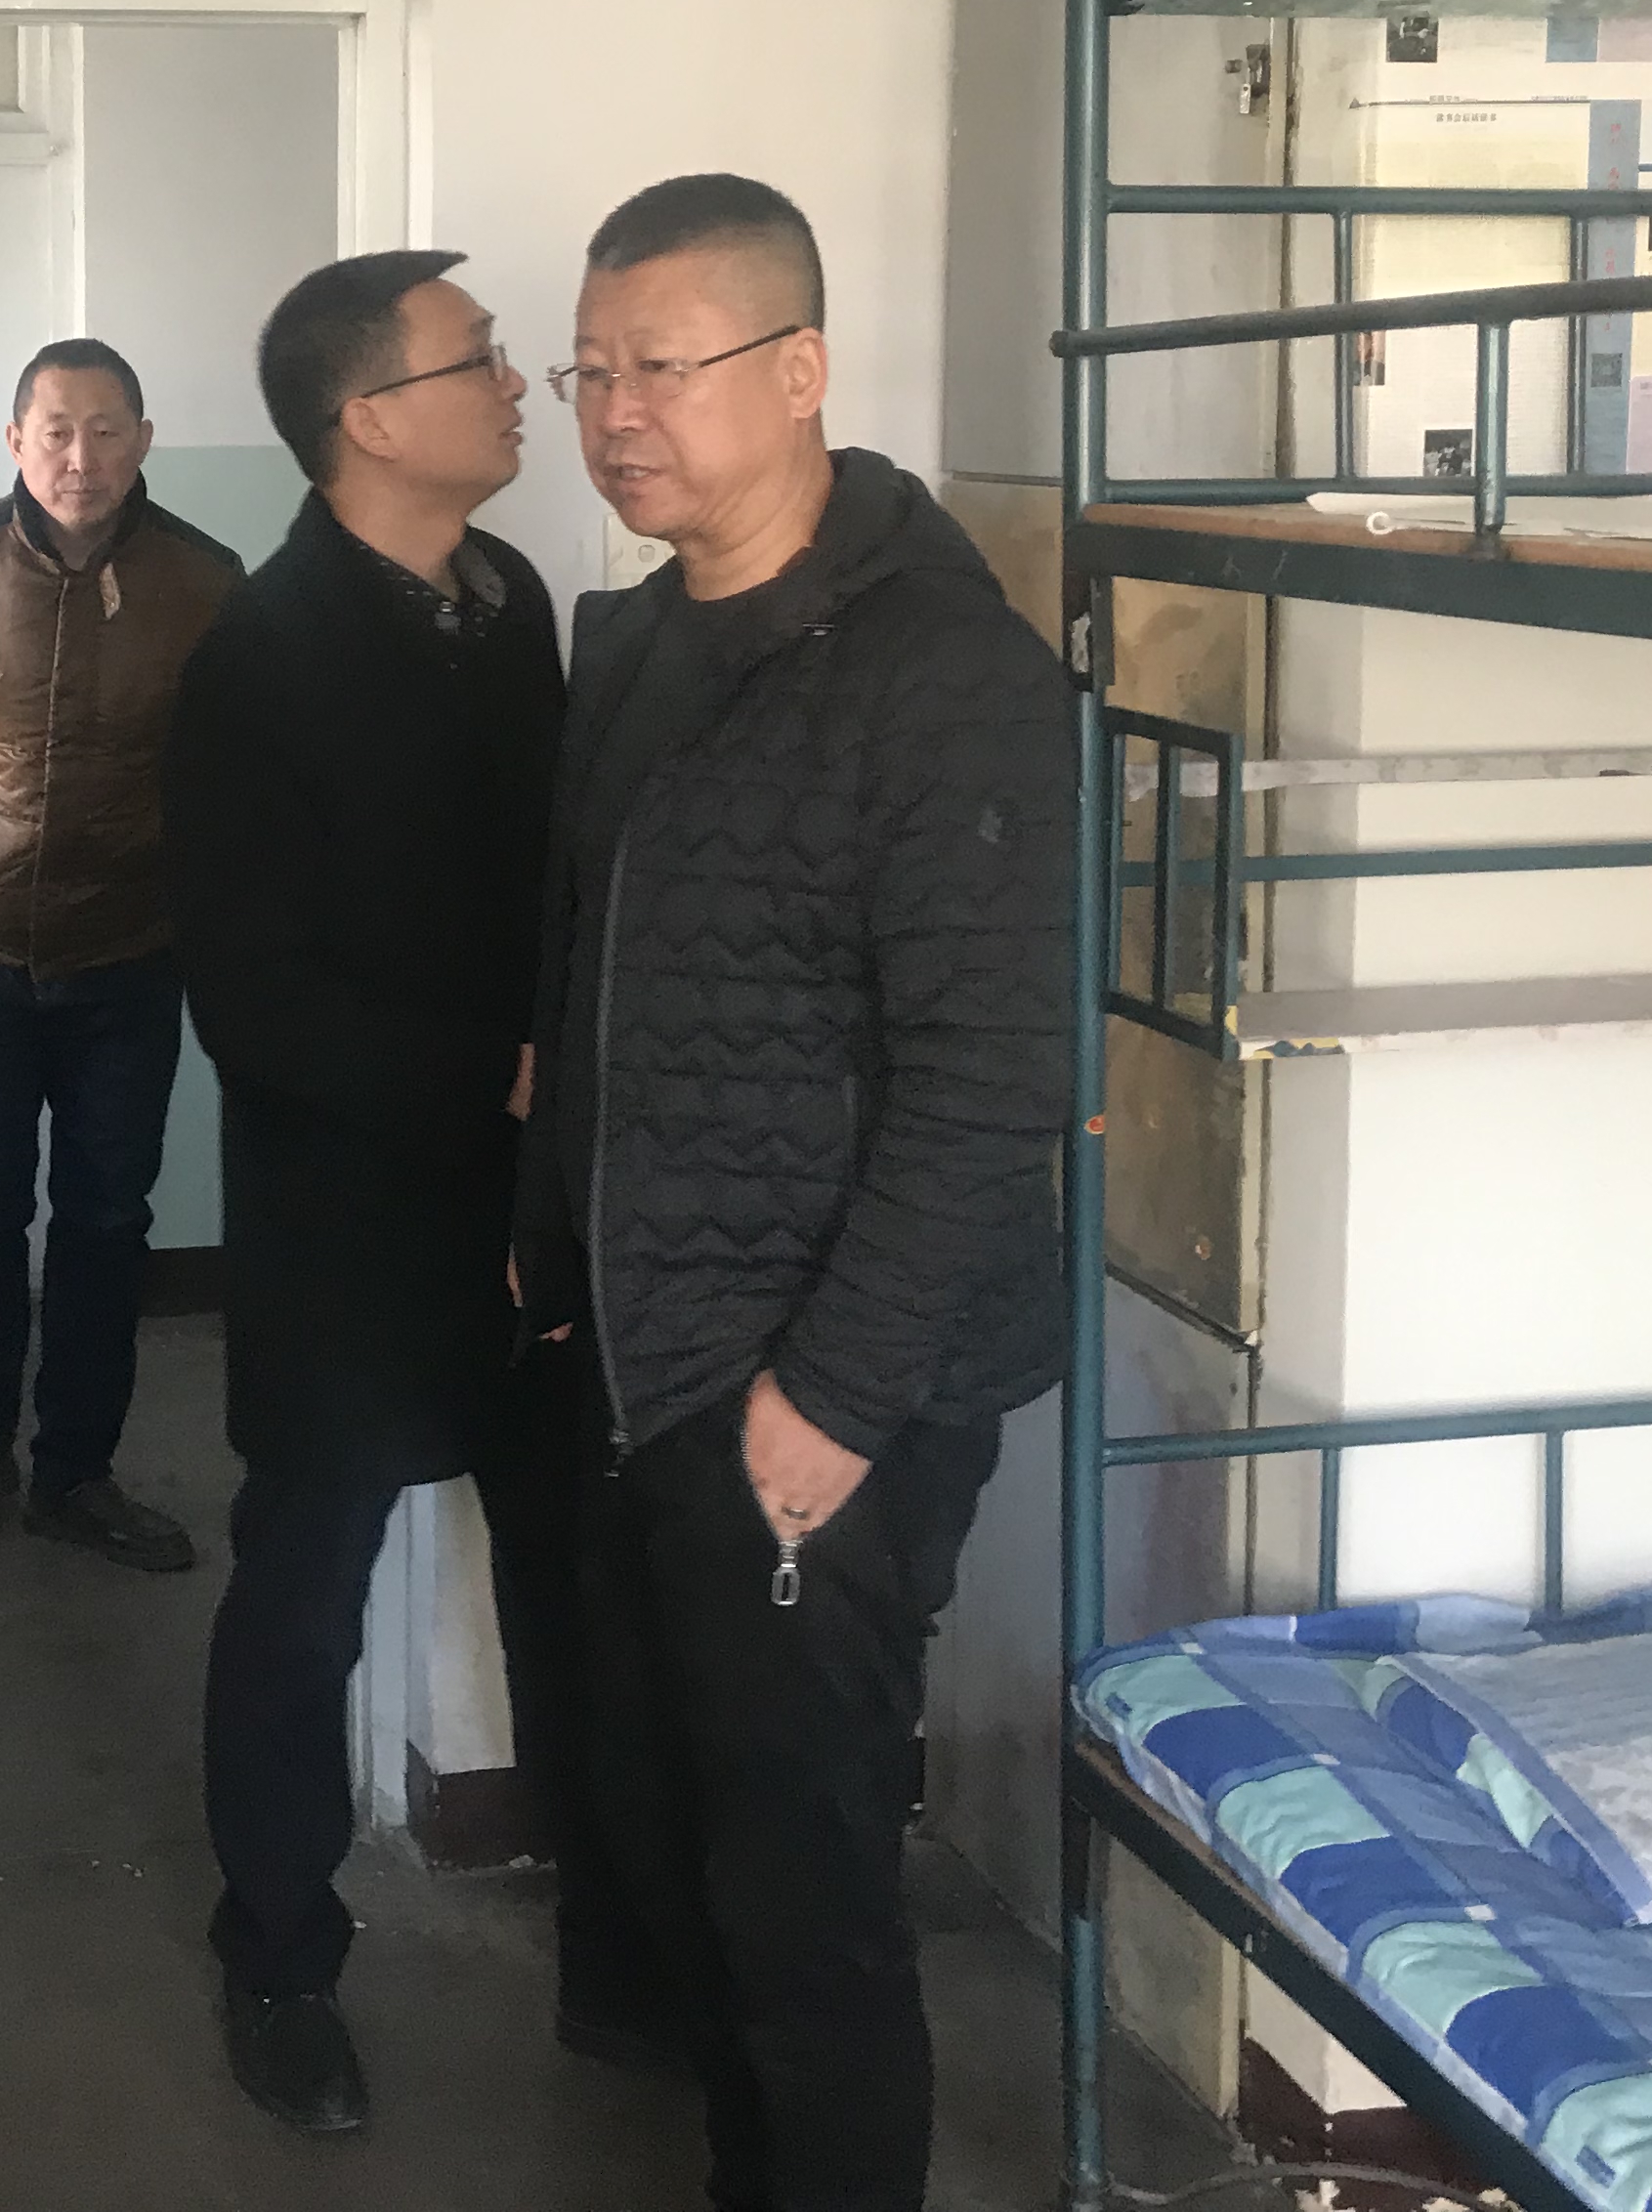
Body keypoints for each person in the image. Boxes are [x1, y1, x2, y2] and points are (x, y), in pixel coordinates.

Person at [516, 176, 1072, 2212]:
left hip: (822, 1394)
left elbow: (990, 1081)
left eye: (662, 365)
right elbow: (590, 966)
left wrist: (827, 1401)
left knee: (805, 1901)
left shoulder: (945, 675)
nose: (616, 412)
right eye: (589, 371)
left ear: (802, 368)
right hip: (644, 1349)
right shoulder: (641, 640)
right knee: (685, 1859)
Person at [167, 250, 657, 2136]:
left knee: (574, 1574)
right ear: (367, 417)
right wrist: (491, 1068)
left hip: (532, 1205)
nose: (520, 384)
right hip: (349, 1225)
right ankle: (278, 1955)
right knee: (303, 1597)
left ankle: (620, 1955)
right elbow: (254, 998)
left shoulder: (506, 595)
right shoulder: (260, 654)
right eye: (478, 360)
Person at [0, 338, 240, 1569]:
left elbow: (229, 755)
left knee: (106, 1221)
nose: (82, 456)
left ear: (143, 441)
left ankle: (77, 1472)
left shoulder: (205, 580)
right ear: (17, 441)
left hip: (128, 954)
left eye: (107, 429)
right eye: (58, 430)